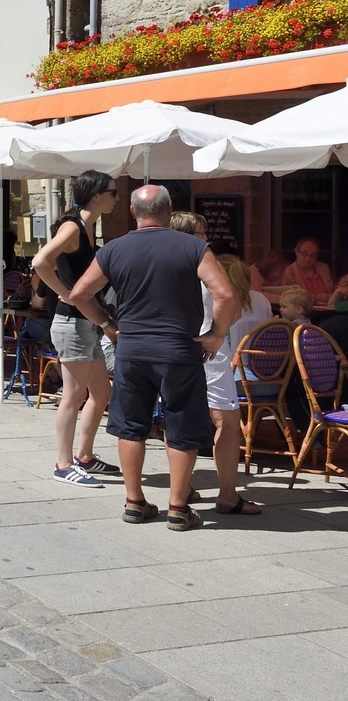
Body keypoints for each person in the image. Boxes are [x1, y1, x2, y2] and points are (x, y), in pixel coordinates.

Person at [67, 185, 237, 531]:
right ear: (169, 208)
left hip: (131, 351)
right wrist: (216, 334)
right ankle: (177, 506)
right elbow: (225, 293)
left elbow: (79, 293)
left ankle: (134, 502)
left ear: (132, 212)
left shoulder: (114, 248)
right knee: (182, 427)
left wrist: (107, 324)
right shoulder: (192, 246)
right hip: (179, 350)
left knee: (131, 426)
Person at [31, 171, 121, 489]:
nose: (117, 198)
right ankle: (63, 463)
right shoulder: (73, 226)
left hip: (86, 322)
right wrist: (66, 293)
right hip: (72, 322)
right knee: (73, 394)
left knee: (100, 392)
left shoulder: (89, 227)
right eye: (113, 193)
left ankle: (84, 456)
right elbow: (40, 261)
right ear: (96, 195)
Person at [200, 253, 268, 517]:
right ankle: (227, 493)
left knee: (186, 419)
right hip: (260, 376)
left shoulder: (215, 298)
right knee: (226, 422)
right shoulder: (258, 299)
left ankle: (180, 493)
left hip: (236, 374)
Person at [280, 237, 335, 304]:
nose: (308, 258)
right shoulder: (289, 272)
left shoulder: (323, 268)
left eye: (313, 255)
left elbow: (332, 290)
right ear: (296, 252)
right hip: (305, 310)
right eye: (304, 253)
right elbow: (292, 298)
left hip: (330, 306)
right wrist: (317, 297)